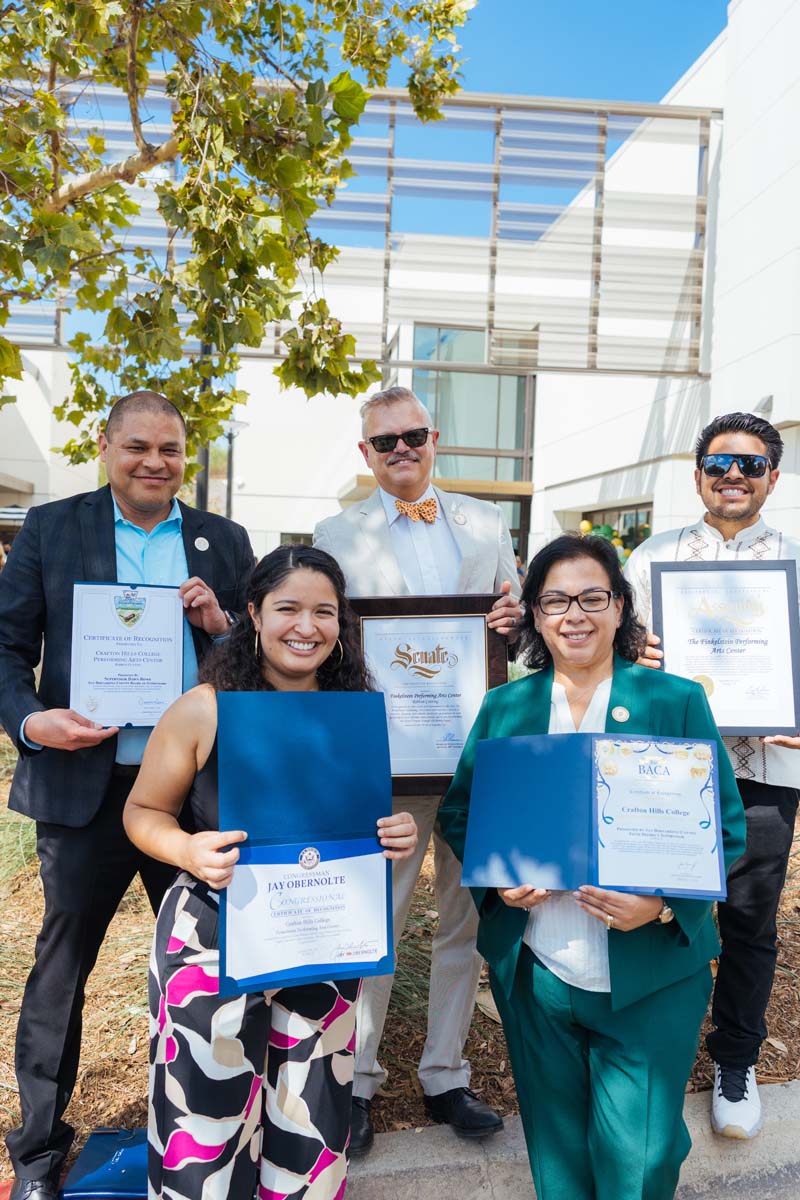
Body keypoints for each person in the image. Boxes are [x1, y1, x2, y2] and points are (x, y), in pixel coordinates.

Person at [0, 390, 255, 1200]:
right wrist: (34, 721)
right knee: (62, 971)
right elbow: (5, 647)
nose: (155, 462)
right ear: (106, 447)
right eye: (137, 446)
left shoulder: (225, 540)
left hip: (190, 796)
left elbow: (260, 659)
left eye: (171, 449)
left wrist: (220, 627)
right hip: (86, 789)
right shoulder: (52, 527)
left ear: (187, 455)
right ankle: (38, 1154)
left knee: (217, 965)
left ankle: (215, 1130)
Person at [437, 534, 745, 1200]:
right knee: (558, 1153)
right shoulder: (505, 708)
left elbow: (725, 829)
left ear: (620, 606)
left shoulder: (675, 700)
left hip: (648, 972)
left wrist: (662, 904)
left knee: (642, 1156)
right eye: (555, 600)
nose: (573, 615)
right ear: (535, 614)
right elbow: (461, 813)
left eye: (591, 598)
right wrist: (500, 879)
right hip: (537, 972)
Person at [122, 545, 418, 1200]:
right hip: (211, 938)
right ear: (253, 612)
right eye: (287, 608)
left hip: (323, 942)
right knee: (203, 1124)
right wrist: (186, 850)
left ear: (342, 623)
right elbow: (142, 811)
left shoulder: (355, 717)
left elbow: (357, 825)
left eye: (323, 612)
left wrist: (396, 832)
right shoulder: (205, 708)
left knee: (310, 1126)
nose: (305, 627)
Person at [313, 385, 521, 1152]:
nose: (401, 450)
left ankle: (446, 1075)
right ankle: (356, 1082)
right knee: (379, 921)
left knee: (463, 917)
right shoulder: (336, 532)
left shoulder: (485, 521)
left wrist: (512, 620)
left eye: (413, 436)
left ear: (435, 439)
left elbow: (519, 619)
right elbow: (323, 636)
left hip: (473, 755)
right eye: (385, 441)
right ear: (365, 453)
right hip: (389, 760)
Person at [625, 410, 800, 1140]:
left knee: (751, 922)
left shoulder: (795, 560)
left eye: (751, 464)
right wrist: (637, 657)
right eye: (720, 462)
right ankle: (645, 1057)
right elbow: (608, 648)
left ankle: (735, 1060)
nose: (734, 474)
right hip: (670, 766)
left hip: (767, 767)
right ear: (698, 474)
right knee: (659, 910)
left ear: (773, 478)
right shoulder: (649, 561)